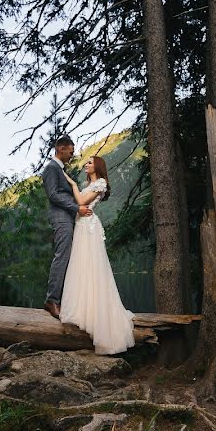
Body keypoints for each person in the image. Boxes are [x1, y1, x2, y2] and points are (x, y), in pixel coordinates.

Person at [59, 156, 135, 355]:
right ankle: (84, 311)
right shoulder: (89, 183)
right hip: (82, 226)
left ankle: (98, 317)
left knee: (92, 268)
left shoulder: (101, 183)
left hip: (89, 228)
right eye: (86, 162)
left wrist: (73, 183)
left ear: (98, 167)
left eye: (90, 163)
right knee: (81, 267)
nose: (86, 164)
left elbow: (82, 201)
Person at [42, 136, 93, 320]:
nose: (72, 155)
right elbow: (53, 195)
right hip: (61, 218)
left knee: (68, 258)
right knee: (61, 256)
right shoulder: (51, 168)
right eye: (71, 151)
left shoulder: (61, 169)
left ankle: (62, 300)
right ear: (60, 148)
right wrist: (76, 208)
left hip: (68, 218)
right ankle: (52, 301)